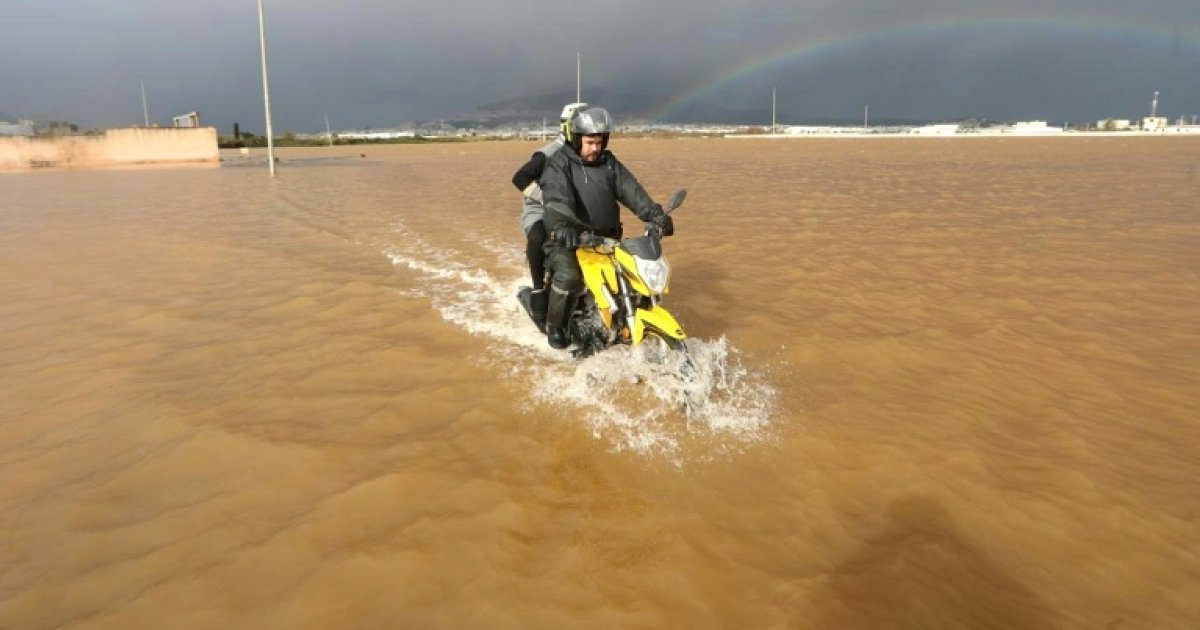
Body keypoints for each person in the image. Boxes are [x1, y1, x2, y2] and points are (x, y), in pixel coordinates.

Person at [539, 106, 675, 349]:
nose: (595, 148)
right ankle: (556, 325)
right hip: (569, 241)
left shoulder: (609, 164)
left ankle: (625, 322)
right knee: (569, 276)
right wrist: (563, 226)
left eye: (599, 142)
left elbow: (632, 191)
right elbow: (557, 200)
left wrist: (656, 215)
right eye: (590, 142)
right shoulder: (559, 164)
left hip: (606, 242)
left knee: (636, 277)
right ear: (576, 139)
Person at [510, 101, 589, 331]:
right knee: (537, 237)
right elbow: (520, 178)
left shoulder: (587, 153)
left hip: (570, 211)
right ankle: (538, 292)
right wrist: (548, 199)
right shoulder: (548, 154)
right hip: (540, 210)